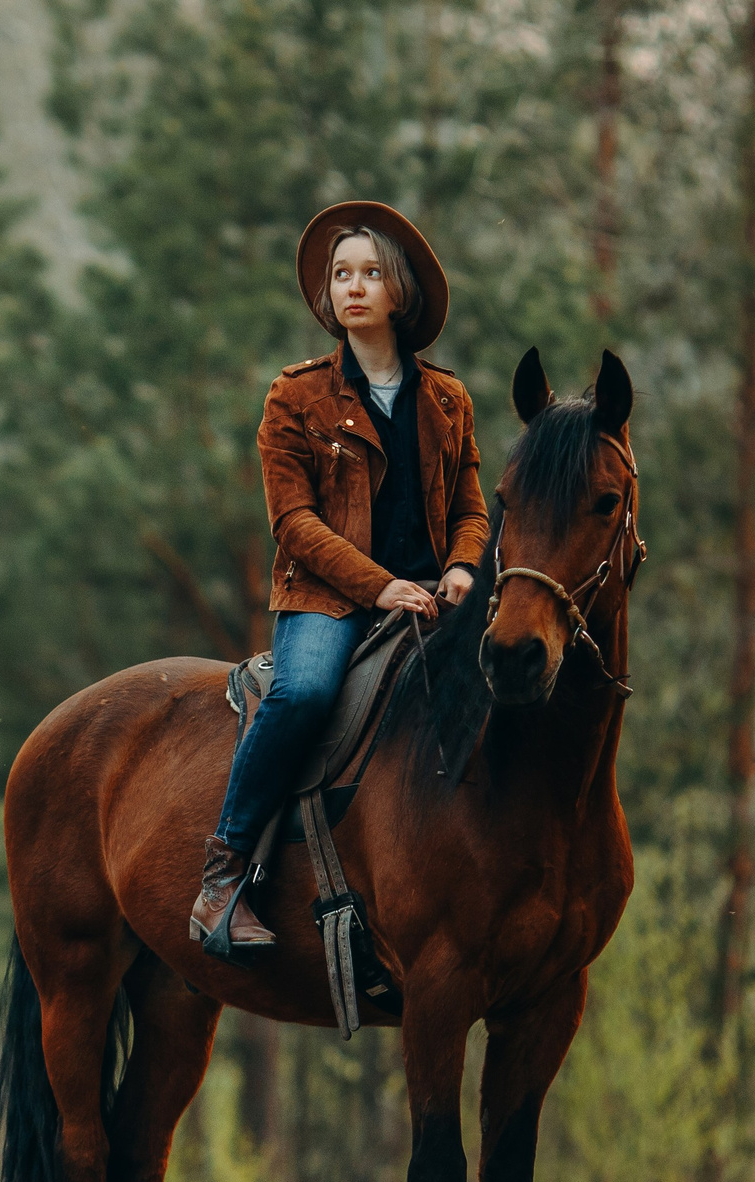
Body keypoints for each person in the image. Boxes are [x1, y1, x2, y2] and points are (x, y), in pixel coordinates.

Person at [190, 201, 492, 958]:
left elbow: (472, 509)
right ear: (328, 296)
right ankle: (224, 874)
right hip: (327, 597)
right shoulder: (295, 395)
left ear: (400, 292)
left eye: (370, 273)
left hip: (432, 599)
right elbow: (294, 523)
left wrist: (460, 566)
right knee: (304, 693)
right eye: (340, 274)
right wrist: (379, 585)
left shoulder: (448, 399)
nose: (353, 287)